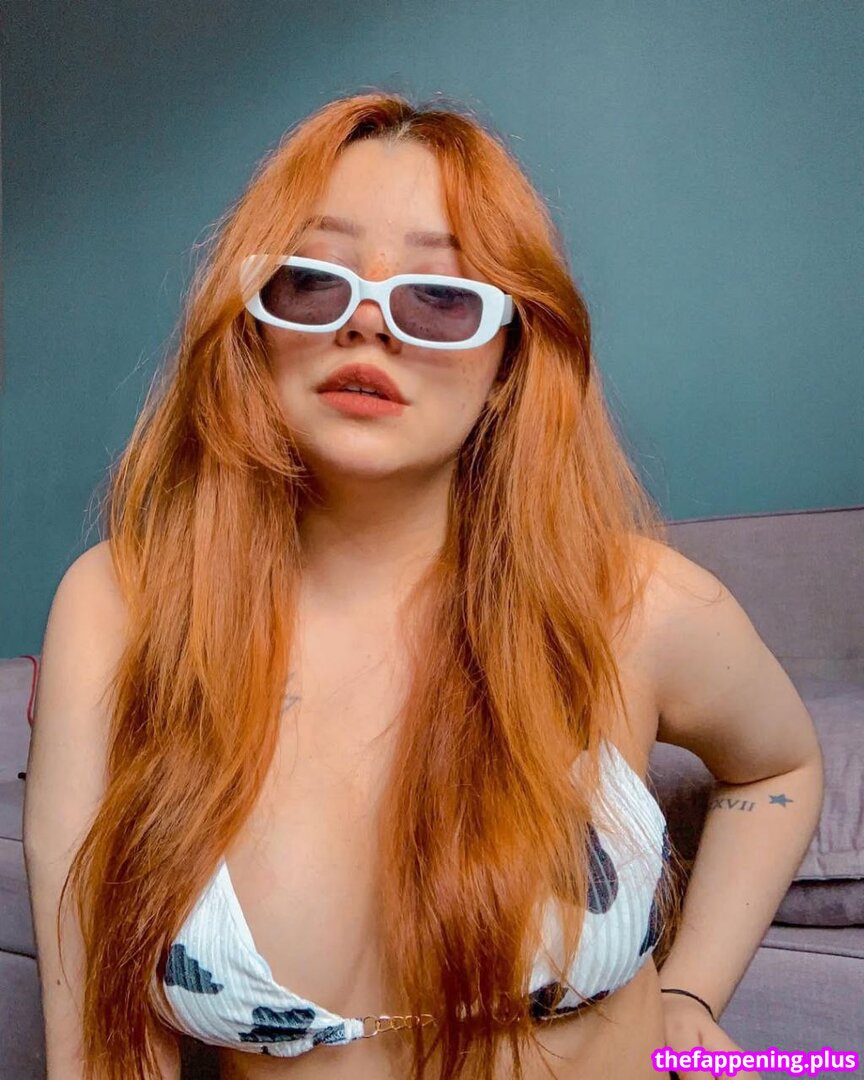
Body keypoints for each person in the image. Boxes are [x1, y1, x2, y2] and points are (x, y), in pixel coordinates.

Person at [23, 91, 824, 1080]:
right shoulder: (123, 606)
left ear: (510, 357)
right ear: (253, 320)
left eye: (440, 297)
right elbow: (94, 1046)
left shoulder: (637, 604)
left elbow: (779, 768)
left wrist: (692, 994)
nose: (368, 324)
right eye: (312, 280)